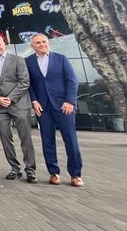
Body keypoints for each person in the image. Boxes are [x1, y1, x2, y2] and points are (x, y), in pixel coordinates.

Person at [26, 33, 84, 187]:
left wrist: (70, 101)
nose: (42, 44)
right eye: (38, 43)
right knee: (47, 141)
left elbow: (72, 80)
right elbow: (29, 84)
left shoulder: (61, 59)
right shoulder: (28, 62)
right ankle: (54, 172)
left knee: (70, 140)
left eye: (44, 41)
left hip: (63, 106)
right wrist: (34, 101)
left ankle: (75, 174)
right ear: (32, 46)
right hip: (43, 108)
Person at [0, 34, 37, 183]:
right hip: (0, 107)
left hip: (19, 104)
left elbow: (24, 82)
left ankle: (31, 170)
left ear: (4, 43)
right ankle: (15, 168)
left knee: (25, 138)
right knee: (5, 137)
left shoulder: (18, 60)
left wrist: (10, 98)